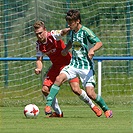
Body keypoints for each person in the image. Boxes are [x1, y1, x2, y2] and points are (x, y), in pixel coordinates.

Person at [45, 10, 113, 118]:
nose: (69, 24)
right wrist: (66, 49)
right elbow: (72, 42)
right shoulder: (72, 32)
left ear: (77, 21)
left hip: (86, 67)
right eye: (68, 22)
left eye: (71, 22)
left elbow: (99, 43)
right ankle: (48, 105)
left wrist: (92, 50)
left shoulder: (86, 31)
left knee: (90, 93)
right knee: (59, 79)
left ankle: (106, 109)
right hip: (73, 65)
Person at [33, 20, 102, 118]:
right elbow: (39, 59)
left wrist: (70, 28)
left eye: (40, 33)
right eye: (37, 34)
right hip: (56, 66)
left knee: (76, 89)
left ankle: (93, 106)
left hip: (69, 64)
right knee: (44, 89)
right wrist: (38, 68)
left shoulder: (52, 35)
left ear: (45, 30)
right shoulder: (38, 45)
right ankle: (58, 113)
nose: (39, 36)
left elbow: (62, 32)